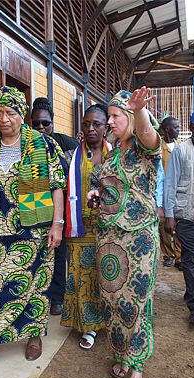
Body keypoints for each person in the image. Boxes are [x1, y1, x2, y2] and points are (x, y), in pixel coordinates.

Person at [0, 86, 67, 369]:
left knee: (37, 285)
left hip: (36, 229)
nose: (4, 119)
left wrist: (57, 224)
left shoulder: (42, 144)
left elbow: (57, 187)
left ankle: (32, 337)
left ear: (22, 114)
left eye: (10, 113)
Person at [88, 87, 160, 378]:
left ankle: (138, 372)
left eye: (116, 116)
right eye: (111, 116)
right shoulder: (111, 152)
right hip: (109, 238)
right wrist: (96, 197)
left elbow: (147, 132)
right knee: (114, 301)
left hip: (140, 238)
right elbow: (108, 190)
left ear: (129, 117)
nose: (111, 121)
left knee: (138, 303)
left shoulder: (146, 148)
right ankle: (121, 355)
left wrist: (140, 110)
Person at [61, 105, 111, 349]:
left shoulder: (116, 156)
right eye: (86, 123)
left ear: (106, 127)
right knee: (83, 276)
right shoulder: (71, 156)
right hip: (80, 226)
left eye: (97, 124)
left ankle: (110, 321)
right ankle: (89, 326)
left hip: (109, 228)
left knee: (107, 275)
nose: (90, 128)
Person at [31, 97, 78, 315]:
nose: (41, 128)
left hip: (60, 207)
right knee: (36, 255)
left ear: (53, 122)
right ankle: (37, 296)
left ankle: (57, 298)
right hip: (33, 208)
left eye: (45, 123)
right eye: (36, 124)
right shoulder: (26, 143)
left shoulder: (67, 144)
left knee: (58, 254)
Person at [164, 109, 194, 325]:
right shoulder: (181, 151)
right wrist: (169, 215)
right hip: (188, 212)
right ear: (191, 128)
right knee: (190, 257)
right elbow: (170, 183)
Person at [159, 116, 181, 268]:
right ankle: (168, 254)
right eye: (176, 127)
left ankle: (180, 256)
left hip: (179, 192)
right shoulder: (158, 148)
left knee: (180, 224)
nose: (179, 130)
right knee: (165, 226)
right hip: (163, 192)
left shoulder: (180, 147)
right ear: (167, 129)